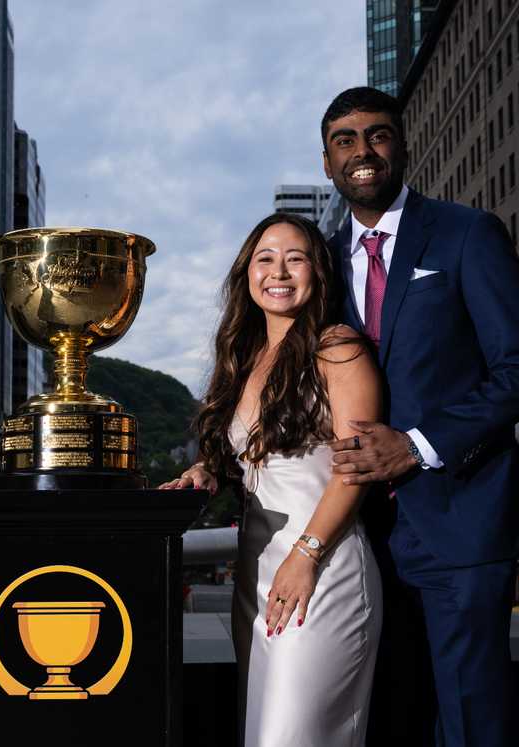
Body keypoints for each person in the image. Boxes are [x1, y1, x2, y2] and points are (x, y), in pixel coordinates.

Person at [320, 86, 519, 746]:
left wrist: (417, 445)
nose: (362, 151)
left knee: (471, 718)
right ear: (327, 161)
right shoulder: (320, 260)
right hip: (359, 533)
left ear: (400, 144)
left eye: (377, 135)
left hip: (460, 516)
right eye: (345, 139)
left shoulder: (465, 233)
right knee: (390, 716)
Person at [161, 213, 383, 746]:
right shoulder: (243, 358)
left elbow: (356, 469)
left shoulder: (339, 348)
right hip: (256, 577)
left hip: (319, 569)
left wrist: (306, 555)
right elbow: (250, 453)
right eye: (265, 258)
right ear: (246, 274)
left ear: (317, 273)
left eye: (295, 258)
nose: (278, 271)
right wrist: (206, 468)